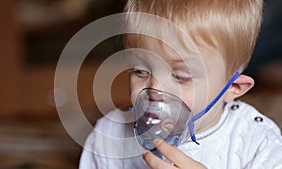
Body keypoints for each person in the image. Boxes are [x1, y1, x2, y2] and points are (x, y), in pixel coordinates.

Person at [79, 0, 282, 168]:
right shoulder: (109, 136)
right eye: (141, 71)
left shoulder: (258, 144)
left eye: (180, 76)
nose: (155, 90)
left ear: (232, 88)